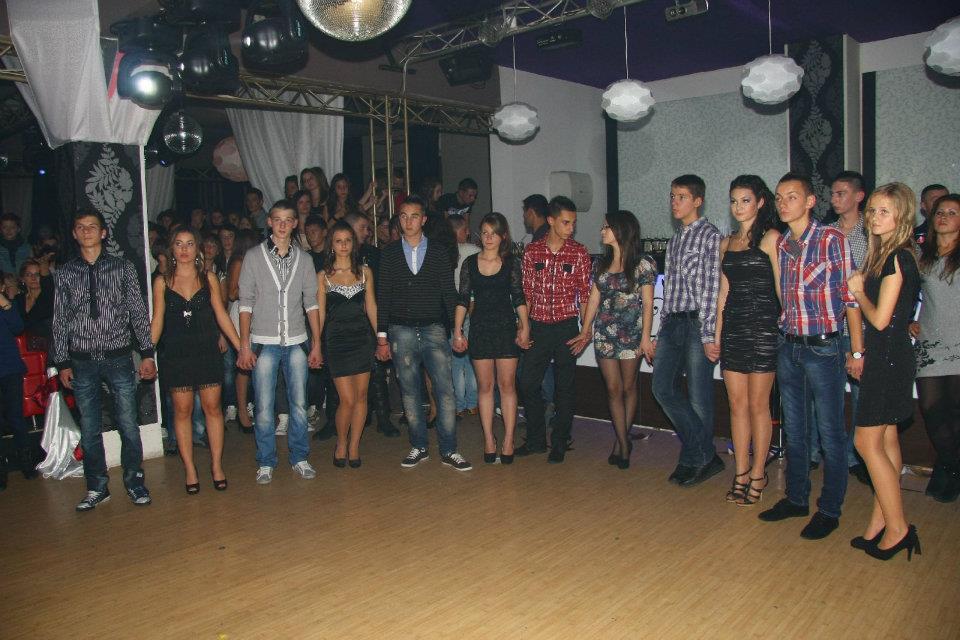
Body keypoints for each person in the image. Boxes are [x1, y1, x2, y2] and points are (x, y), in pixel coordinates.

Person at [759, 172, 863, 540]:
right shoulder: (783, 244)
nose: (783, 203)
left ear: (809, 202)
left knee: (831, 432)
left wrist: (856, 350)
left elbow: (851, 299)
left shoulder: (832, 239)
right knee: (796, 429)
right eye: (779, 197)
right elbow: (784, 297)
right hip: (789, 344)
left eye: (791, 196)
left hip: (824, 347)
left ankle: (829, 510)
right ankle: (796, 498)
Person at [51, 209, 157, 511]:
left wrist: (147, 353)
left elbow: (138, 312)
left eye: (92, 226)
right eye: (80, 227)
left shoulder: (122, 268)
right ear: (74, 234)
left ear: (103, 233)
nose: (86, 231)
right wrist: (62, 361)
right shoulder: (65, 273)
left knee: (128, 424)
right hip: (81, 361)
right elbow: (59, 319)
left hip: (119, 356)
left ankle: (135, 482)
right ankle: (97, 486)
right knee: (89, 428)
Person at [845, 183, 922, 560]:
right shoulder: (886, 255)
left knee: (865, 443)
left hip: (888, 360)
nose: (874, 217)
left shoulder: (897, 258)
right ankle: (882, 522)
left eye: (884, 211)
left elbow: (879, 320)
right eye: (872, 210)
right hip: (887, 356)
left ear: (901, 216)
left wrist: (858, 291)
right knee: (887, 442)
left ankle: (898, 528)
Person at [375, 195, 472, 471]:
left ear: (424, 220)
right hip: (400, 329)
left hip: (434, 328)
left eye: (414, 216)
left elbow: (449, 293)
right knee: (409, 392)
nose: (408, 221)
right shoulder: (389, 254)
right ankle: (418, 446)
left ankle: (449, 449)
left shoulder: (439, 251)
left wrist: (457, 330)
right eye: (403, 216)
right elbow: (384, 296)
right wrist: (381, 338)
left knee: (445, 391)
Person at [236, 200, 322, 484]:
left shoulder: (305, 260)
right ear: (269, 222)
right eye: (278, 219)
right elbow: (245, 303)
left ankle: (300, 457)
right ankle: (265, 461)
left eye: (288, 220)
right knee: (263, 407)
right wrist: (245, 345)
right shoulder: (253, 256)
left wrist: (316, 343)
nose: (283, 225)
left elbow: (311, 304)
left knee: (299, 404)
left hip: (297, 340)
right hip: (264, 341)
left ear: (295, 223)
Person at [150, 228, 241, 494]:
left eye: (190, 244)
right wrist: (146, 354)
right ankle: (190, 469)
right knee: (182, 411)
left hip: (206, 351)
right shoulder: (162, 282)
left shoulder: (208, 277)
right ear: (172, 248)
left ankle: (216, 466)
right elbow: (157, 321)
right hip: (177, 353)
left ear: (197, 248)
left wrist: (241, 347)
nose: (184, 249)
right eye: (179, 244)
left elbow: (221, 315)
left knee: (213, 409)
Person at [651, 175, 724, 486]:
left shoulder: (710, 236)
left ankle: (695, 458)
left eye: (681, 196)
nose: (674, 202)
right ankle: (705, 453)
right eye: (672, 196)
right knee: (661, 388)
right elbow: (669, 291)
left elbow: (711, 289)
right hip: (672, 321)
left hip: (697, 323)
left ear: (698, 201)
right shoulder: (676, 239)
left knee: (698, 396)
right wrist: (660, 330)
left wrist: (708, 334)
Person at [569, 210, 656, 469]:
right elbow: (594, 298)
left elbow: (648, 304)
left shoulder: (643, 263)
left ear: (621, 230)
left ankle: (621, 443)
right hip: (605, 334)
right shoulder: (601, 263)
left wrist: (646, 338)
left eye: (606, 227)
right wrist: (585, 330)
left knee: (629, 387)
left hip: (631, 334)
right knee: (613, 389)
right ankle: (624, 443)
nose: (602, 231)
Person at [714, 176, 781, 503]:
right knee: (736, 405)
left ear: (760, 202)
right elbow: (723, 294)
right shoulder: (726, 244)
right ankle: (740, 472)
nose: (738, 207)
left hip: (764, 328)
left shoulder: (771, 238)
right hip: (734, 329)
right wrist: (716, 334)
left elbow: (781, 290)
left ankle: (758, 473)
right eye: (734, 201)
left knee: (758, 405)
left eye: (745, 200)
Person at [518, 196, 591, 463]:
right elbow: (526, 293)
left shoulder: (579, 252)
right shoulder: (532, 251)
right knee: (527, 382)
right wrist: (523, 327)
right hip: (538, 325)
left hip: (566, 326)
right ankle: (536, 439)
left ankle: (560, 441)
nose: (571, 228)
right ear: (550, 220)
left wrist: (585, 329)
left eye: (573, 223)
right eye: (565, 222)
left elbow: (585, 295)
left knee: (565, 387)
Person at [453, 213, 529, 464]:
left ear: (503, 236)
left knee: (507, 386)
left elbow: (518, 296)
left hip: (506, 328)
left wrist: (525, 326)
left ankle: (508, 439)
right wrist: (457, 330)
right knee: (485, 387)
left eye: (493, 233)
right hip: (480, 329)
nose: (488, 237)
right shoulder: (470, 263)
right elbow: (463, 298)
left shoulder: (511, 263)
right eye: (484, 232)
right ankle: (488, 438)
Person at [912, 193, 960, 502]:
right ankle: (954, 468)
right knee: (931, 410)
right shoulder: (922, 255)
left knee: (954, 414)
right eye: (940, 212)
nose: (943, 217)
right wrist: (908, 320)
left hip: (959, 343)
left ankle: (947, 472)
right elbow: (904, 292)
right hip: (930, 342)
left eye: (952, 212)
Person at [318, 221, 378, 467]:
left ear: (353, 244)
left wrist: (381, 338)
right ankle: (341, 442)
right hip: (336, 340)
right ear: (331, 245)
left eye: (347, 240)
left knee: (361, 396)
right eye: (338, 241)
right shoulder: (323, 276)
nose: (343, 245)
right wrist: (316, 344)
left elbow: (371, 306)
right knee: (347, 399)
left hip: (362, 338)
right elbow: (320, 313)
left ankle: (354, 446)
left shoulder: (365, 272)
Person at [825, 171, 870, 483]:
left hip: (862, 328)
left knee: (862, 398)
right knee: (827, 398)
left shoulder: (872, 233)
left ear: (858, 196)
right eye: (833, 193)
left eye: (841, 193)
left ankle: (858, 456)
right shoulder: (827, 232)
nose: (835, 199)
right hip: (830, 327)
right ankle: (829, 455)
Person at [344, 210, 399, 437]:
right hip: (343, 323)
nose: (368, 232)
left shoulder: (374, 255)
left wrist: (380, 327)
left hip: (369, 319)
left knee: (376, 370)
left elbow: (383, 289)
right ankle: (345, 420)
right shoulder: (336, 256)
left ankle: (383, 418)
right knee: (342, 373)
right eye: (364, 228)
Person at [225, 229, 261, 433]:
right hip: (241, 313)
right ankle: (242, 413)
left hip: (255, 312)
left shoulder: (253, 261)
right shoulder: (239, 261)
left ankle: (252, 408)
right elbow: (231, 293)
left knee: (257, 363)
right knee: (244, 366)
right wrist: (256, 288)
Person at [0, 285, 36, 487]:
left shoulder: (8, 306)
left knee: (16, 417)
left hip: (10, 369)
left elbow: (18, 327)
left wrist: (4, 303)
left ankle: (26, 463)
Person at [448, 214, 479, 418]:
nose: (468, 233)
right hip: (471, 307)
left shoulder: (443, 252)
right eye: (466, 230)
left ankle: (459, 405)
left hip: (451, 309)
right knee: (470, 360)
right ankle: (472, 403)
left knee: (456, 361)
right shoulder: (474, 251)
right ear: (460, 230)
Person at [16, 258, 55, 346]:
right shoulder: (18, 299)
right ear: (22, 279)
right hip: (23, 346)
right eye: (29, 274)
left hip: (48, 346)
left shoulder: (49, 297)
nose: (33, 278)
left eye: (37, 274)